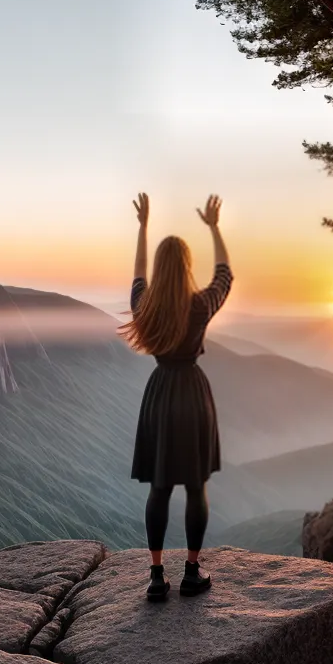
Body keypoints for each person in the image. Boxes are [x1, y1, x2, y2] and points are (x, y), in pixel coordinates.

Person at [119, 193, 233, 602]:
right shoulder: (200, 305)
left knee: (160, 487)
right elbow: (224, 275)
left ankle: (155, 576)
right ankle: (191, 570)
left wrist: (142, 226)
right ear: (186, 266)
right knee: (196, 487)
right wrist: (214, 227)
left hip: (160, 394)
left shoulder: (145, 307)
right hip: (193, 393)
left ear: (160, 268)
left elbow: (137, 276)